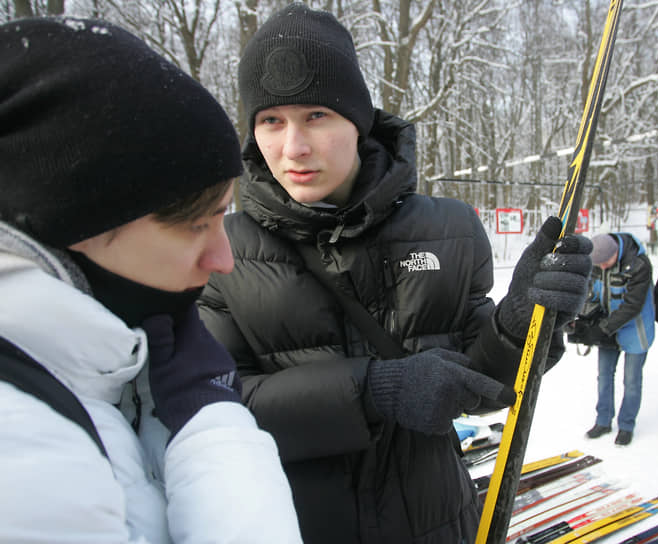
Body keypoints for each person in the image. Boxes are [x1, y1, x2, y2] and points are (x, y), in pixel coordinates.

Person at [197, 3, 592, 542]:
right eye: (271, 120)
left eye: (316, 115)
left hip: (435, 522)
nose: (293, 147)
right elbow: (217, 410)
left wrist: (519, 326)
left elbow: (481, 383)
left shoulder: (449, 231)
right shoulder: (222, 250)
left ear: (357, 121)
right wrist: (374, 390)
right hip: (292, 527)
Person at [0, 17, 301, 542]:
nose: (223, 259)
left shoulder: (106, 377)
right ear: (71, 222)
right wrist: (212, 424)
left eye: (222, 219)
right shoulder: (23, 447)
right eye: (193, 225)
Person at [583, 233, 655, 447]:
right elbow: (590, 292)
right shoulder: (596, 263)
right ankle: (603, 421)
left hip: (636, 327)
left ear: (617, 253)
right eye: (599, 264)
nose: (603, 267)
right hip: (607, 327)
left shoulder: (639, 264)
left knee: (631, 381)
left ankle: (626, 425)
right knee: (604, 376)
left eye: (606, 262)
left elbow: (633, 305)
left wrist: (605, 327)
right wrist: (585, 317)